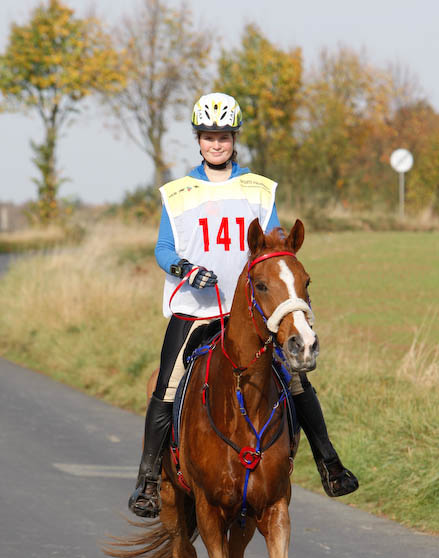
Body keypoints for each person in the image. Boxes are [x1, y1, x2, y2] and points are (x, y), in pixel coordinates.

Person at [129, 92, 358, 518]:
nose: (216, 144)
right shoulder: (177, 193)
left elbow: (271, 242)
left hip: (252, 313)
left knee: (296, 380)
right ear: (198, 140)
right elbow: (163, 248)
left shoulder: (258, 188)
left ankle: (330, 464)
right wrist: (184, 268)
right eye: (208, 137)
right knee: (167, 384)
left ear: (234, 139)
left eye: (224, 137)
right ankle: (146, 479)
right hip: (195, 309)